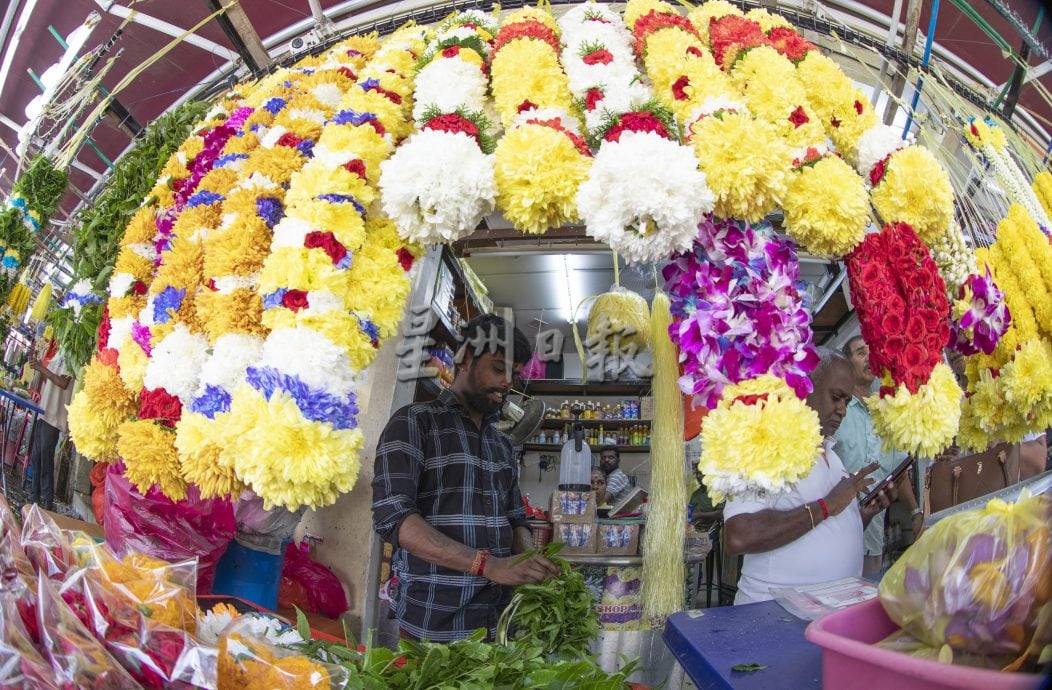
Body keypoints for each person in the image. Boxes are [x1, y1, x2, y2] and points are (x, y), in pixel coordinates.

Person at [372, 314, 560, 642]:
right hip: (434, 623)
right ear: (465, 360)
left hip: (500, 622)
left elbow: (516, 518)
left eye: (514, 374)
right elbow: (394, 518)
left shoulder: (502, 444)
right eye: (498, 368)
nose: (507, 383)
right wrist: (488, 565)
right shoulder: (415, 423)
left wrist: (530, 561)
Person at [724, 348, 894, 604]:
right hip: (772, 614)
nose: (843, 410)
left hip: (822, 614)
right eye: (836, 397)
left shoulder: (832, 456)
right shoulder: (765, 445)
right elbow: (739, 535)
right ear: (803, 388)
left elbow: (824, 530)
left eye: (847, 401)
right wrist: (827, 505)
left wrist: (863, 515)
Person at [834, 335, 923, 578]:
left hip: (871, 540)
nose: (869, 358)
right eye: (861, 352)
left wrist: (915, 512)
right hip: (834, 536)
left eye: (871, 352)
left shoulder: (885, 414)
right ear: (846, 362)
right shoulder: (836, 410)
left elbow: (898, 472)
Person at [27, 348, 72, 511]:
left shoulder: (72, 356)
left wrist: (41, 367)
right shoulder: (60, 352)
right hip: (43, 412)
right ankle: (34, 501)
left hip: (53, 417)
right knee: (36, 458)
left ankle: (47, 505)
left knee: (45, 462)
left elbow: (63, 383)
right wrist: (38, 367)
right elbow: (50, 379)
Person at [688, 468, 724, 533]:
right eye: (697, 473)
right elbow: (690, 511)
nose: (698, 476)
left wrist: (698, 515)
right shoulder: (696, 494)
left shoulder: (718, 492)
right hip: (694, 531)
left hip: (710, 532)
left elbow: (720, 513)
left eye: (701, 473)